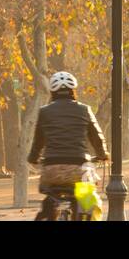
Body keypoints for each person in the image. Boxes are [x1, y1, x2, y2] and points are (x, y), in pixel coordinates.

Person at [27, 71, 107, 213]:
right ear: (73, 91)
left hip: (51, 171)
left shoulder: (44, 112)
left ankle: (48, 213)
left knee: (49, 201)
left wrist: (33, 158)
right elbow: (97, 137)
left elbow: (38, 142)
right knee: (88, 203)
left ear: (52, 92)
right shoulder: (84, 110)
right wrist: (102, 154)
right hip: (79, 169)